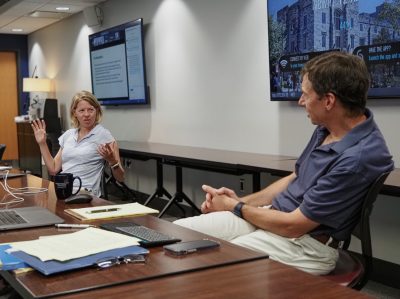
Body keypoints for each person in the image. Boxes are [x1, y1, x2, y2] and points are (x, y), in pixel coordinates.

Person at [174, 52, 394, 275]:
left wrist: (234, 207)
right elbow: (296, 177)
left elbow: (293, 225)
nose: (300, 101)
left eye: (305, 95)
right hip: (275, 219)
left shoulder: (358, 158)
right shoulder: (327, 129)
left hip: (304, 245)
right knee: (176, 234)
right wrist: (239, 201)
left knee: (205, 263)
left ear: (328, 101)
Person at [31, 90, 124, 197]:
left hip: (85, 194)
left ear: (97, 111)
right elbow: (53, 169)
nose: (86, 114)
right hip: (64, 190)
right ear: (74, 112)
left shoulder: (104, 136)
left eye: (91, 110)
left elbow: (120, 178)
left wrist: (113, 162)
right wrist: (42, 143)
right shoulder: (69, 135)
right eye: (81, 110)